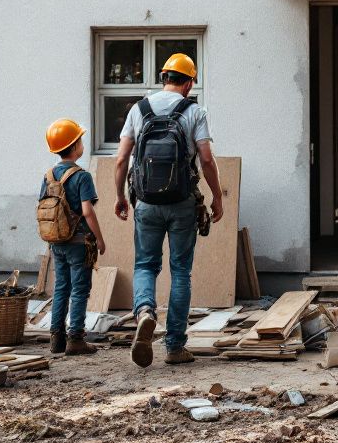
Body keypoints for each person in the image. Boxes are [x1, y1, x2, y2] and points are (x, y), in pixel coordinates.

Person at [114, 53, 223, 368]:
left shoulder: (139, 109)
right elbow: (206, 159)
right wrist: (217, 196)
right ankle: (175, 347)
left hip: (146, 203)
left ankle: (145, 312)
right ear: (188, 82)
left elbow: (122, 159)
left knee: (146, 266)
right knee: (180, 272)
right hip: (182, 203)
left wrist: (120, 196)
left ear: (164, 78)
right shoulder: (194, 111)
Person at [39, 119, 106, 356]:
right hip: (79, 243)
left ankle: (56, 339)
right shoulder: (82, 176)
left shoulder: (48, 176)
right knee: (79, 289)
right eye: (80, 140)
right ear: (75, 145)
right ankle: (76, 338)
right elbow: (87, 211)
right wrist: (99, 238)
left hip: (57, 242)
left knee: (61, 288)